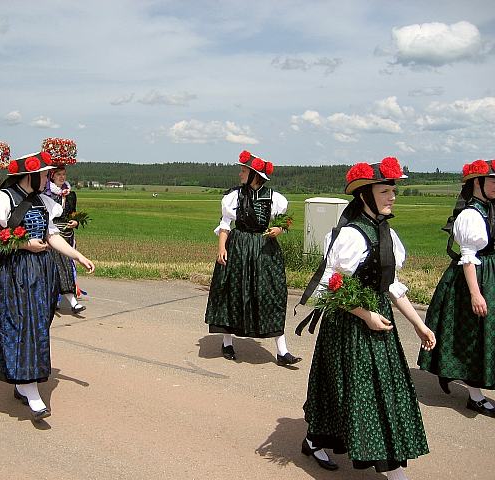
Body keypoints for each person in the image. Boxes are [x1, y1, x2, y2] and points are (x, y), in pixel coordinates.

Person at [297, 157, 436, 479]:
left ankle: (316, 438)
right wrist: (366, 315)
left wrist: (419, 324)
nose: (392, 197)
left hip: (377, 320)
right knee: (356, 391)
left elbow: (391, 287)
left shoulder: (386, 233)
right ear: (365, 196)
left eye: (393, 191)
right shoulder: (351, 236)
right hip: (349, 323)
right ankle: (389, 470)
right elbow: (331, 288)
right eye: (385, 191)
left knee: (365, 390)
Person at [0, 151, 95, 421]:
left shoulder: (43, 202)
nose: (46, 178)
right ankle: (32, 391)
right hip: (12, 273)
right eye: (43, 174)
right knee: (19, 325)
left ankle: (23, 380)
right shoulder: (3, 200)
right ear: (29, 174)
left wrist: (79, 256)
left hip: (40, 273)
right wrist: (23, 243)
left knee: (38, 325)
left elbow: (51, 236)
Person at [204, 150, 301, 366]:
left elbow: (284, 223)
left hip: (264, 250)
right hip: (238, 246)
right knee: (233, 291)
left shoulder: (276, 199)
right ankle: (227, 342)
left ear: (254, 175)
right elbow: (225, 224)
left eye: (243, 170)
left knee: (272, 293)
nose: (240, 174)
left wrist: (279, 229)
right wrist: (221, 247)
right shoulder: (233, 196)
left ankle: (282, 351)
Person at [418, 159, 495, 417]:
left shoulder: (489, 208)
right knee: (475, 336)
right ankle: (475, 396)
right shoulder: (471, 214)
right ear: (477, 183)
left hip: (490, 275)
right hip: (474, 279)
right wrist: (475, 293)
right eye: (493, 181)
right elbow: (469, 255)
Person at [45, 165, 85, 313]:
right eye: (59, 174)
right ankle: (73, 302)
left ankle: (54, 299)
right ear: (52, 176)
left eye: (64, 174)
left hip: (67, 235)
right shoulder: (47, 194)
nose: (62, 177)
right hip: (52, 234)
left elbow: (73, 214)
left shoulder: (70, 195)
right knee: (61, 266)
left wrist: (76, 222)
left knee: (63, 266)